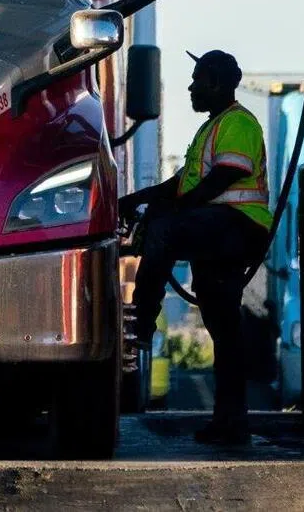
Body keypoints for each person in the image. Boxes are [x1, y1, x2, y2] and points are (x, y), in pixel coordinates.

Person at [118, 49, 271, 447]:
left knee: (165, 230)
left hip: (237, 226)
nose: (191, 87)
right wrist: (135, 200)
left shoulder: (238, 123)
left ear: (217, 83)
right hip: (216, 231)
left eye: (198, 79)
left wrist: (172, 211)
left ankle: (143, 321)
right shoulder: (211, 129)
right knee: (224, 329)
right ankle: (230, 422)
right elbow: (181, 184)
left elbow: (220, 180)